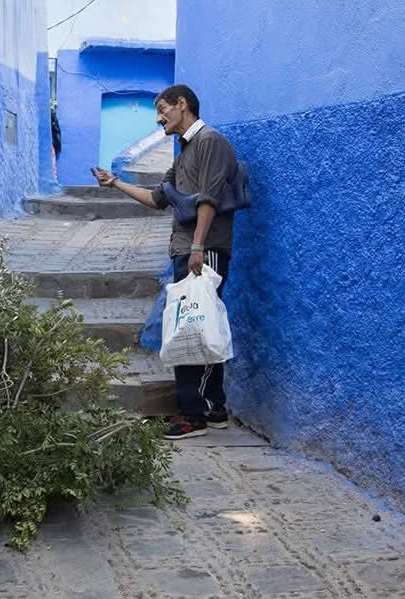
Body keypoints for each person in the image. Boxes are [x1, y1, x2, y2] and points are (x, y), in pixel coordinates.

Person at [91, 84, 238, 440]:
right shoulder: (185, 150)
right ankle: (213, 407)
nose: (158, 119)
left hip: (202, 250)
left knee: (192, 328)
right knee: (197, 325)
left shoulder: (210, 142)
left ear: (182, 104)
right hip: (189, 249)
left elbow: (210, 199)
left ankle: (194, 414)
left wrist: (198, 247)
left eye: (162, 110)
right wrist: (116, 184)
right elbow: (159, 199)